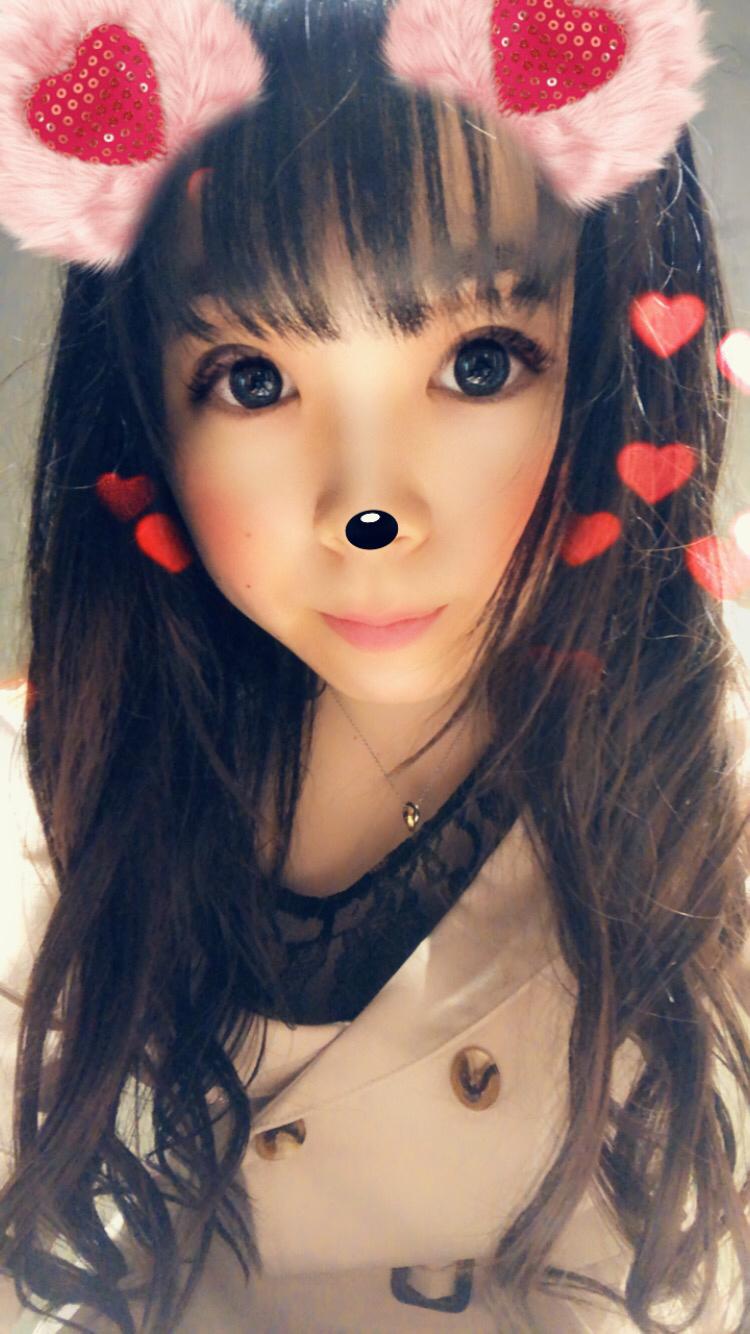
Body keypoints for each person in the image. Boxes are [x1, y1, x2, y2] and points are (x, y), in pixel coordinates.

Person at [0, 0, 748, 1329]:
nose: (365, 512)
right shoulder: (70, 782)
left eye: (479, 362)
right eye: (251, 379)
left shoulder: (704, 765)